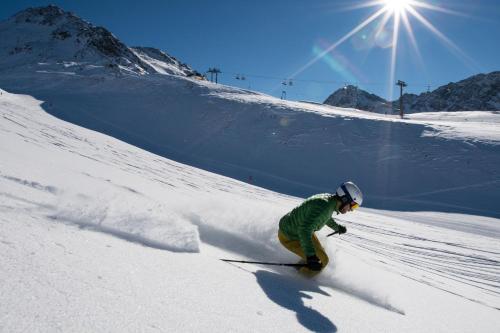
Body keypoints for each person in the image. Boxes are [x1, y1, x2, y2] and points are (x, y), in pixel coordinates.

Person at [278, 181, 363, 276]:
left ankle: (301, 267)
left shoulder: (329, 202)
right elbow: (304, 230)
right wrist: (311, 256)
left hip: (296, 229)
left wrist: (337, 227)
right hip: (290, 236)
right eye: (353, 205)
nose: (351, 210)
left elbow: (326, 218)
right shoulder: (324, 207)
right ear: (345, 198)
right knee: (322, 261)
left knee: (321, 253)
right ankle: (298, 280)